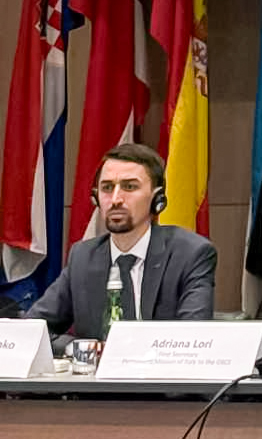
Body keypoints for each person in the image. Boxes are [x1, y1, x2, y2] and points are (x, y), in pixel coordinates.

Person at [28, 143, 216, 344]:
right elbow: (31, 332)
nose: (115, 199)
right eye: (107, 188)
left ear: (157, 199)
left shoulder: (190, 254)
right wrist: (82, 348)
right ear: (96, 198)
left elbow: (191, 340)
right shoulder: (83, 257)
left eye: (129, 187)